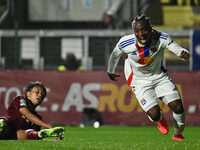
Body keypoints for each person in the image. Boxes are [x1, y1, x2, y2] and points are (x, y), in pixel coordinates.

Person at [107, 14, 190, 140]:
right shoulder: (125, 42)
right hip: (139, 81)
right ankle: (159, 120)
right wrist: (110, 71)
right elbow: (114, 55)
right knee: (155, 114)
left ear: (150, 28)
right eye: (137, 31)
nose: (141, 33)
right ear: (133, 31)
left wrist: (185, 54)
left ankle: (178, 134)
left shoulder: (162, 38)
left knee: (178, 107)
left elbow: (178, 49)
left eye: (144, 29)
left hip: (160, 76)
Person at [0, 81, 64, 140]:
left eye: (42, 94)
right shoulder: (20, 99)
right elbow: (28, 115)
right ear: (28, 94)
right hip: (7, 126)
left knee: (30, 133)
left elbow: (36, 139)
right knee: (3, 123)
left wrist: (53, 140)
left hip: (14, 135)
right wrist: (48, 126)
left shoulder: (37, 119)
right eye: (37, 92)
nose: (40, 95)